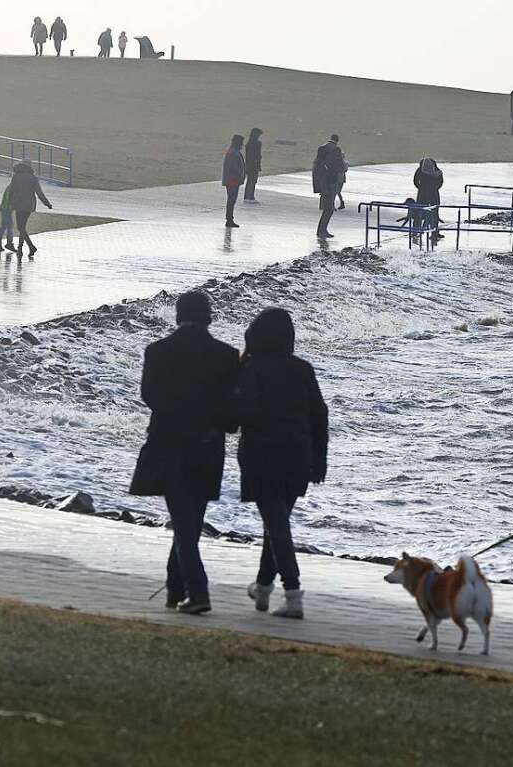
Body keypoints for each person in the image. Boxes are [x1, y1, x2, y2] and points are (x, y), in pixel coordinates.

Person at [130, 291, 240, 615]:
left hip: (169, 442)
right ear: (209, 316)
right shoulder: (226, 355)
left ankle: (197, 591)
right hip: (208, 445)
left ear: (178, 315)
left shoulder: (158, 351)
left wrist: (178, 414)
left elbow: (149, 395)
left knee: (183, 520)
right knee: (190, 520)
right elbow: (232, 407)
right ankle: (176, 589)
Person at [237, 308, 328, 620]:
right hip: (298, 458)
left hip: (262, 458)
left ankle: (293, 594)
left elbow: (239, 417)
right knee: (276, 524)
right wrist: (320, 462)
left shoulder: (251, 370)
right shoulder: (302, 369)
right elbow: (320, 416)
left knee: (276, 525)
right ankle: (263, 587)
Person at [8, 160, 53, 257]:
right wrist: (47, 204)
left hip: (18, 204)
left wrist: (10, 203)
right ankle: (29, 247)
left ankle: (22, 248)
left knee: (20, 227)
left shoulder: (16, 176)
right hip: (28, 205)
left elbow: (11, 191)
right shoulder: (33, 178)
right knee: (22, 227)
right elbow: (39, 193)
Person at [312, 134, 342, 238]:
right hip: (330, 182)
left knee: (326, 208)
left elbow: (317, 168)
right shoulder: (336, 150)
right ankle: (322, 230)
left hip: (322, 183)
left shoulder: (321, 149)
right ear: (337, 141)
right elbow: (340, 167)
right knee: (329, 209)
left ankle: (321, 230)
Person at [413, 157, 444, 240]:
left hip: (423, 194)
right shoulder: (437, 171)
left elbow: (415, 181)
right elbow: (440, 182)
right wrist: (435, 188)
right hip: (433, 194)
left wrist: (420, 188)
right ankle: (434, 233)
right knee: (434, 213)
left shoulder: (420, 170)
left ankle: (415, 232)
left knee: (419, 213)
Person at [222, 134, 246, 227]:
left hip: (232, 180)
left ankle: (230, 219)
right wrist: (240, 176)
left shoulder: (233, 151)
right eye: (241, 143)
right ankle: (229, 220)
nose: (242, 145)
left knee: (231, 200)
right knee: (231, 200)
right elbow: (234, 168)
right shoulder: (233, 153)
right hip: (232, 181)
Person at [0, 182, 15, 254]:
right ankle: (9, 243)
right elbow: (8, 198)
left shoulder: (11, 186)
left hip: (5, 208)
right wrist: (11, 207)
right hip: (6, 209)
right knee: (10, 226)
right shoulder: (12, 188)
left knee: (4, 226)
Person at [244, 128, 263, 202]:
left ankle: (248, 196)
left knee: (250, 181)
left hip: (249, 165)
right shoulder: (257, 144)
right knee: (252, 181)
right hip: (254, 165)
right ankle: (250, 196)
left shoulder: (248, 144)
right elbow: (256, 156)